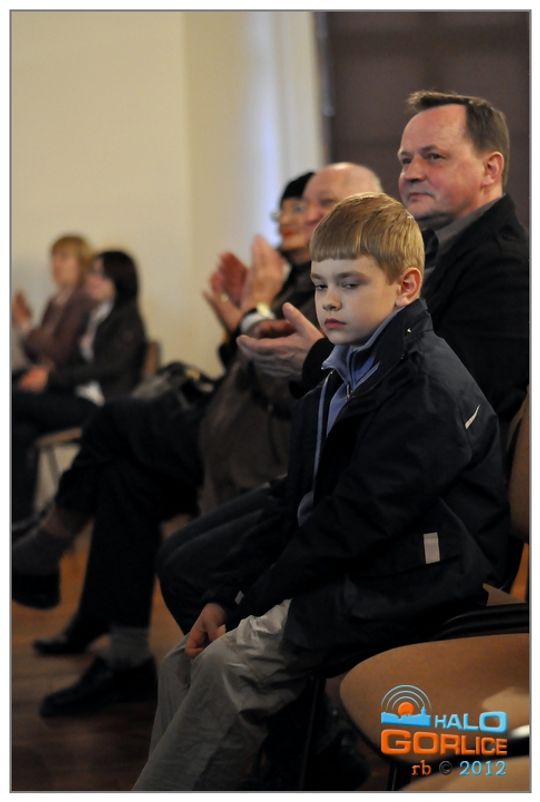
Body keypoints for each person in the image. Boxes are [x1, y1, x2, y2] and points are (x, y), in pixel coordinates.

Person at [132, 192, 509, 792]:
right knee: (185, 658)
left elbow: (350, 526)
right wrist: (227, 594)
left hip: (414, 578)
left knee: (228, 664)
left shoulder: (425, 390)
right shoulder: (342, 368)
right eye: (320, 284)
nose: (329, 301)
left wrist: (255, 598)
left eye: (350, 284)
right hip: (367, 561)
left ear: (406, 286)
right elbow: (296, 500)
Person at [11, 167, 382, 718]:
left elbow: (300, 385)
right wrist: (239, 319)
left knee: (115, 419)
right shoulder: (309, 278)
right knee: (124, 477)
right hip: (225, 438)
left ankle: (47, 543)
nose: (302, 217)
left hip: (260, 456)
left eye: (318, 204)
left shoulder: (348, 286)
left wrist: (251, 312)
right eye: (295, 207)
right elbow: (255, 367)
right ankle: (123, 654)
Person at [237, 90, 529, 439]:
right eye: (406, 160)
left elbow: (447, 403)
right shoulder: (429, 246)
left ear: (490, 169)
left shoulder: (509, 267)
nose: (411, 174)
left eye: (433, 157)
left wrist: (318, 359)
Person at [12, 250, 146, 526]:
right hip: (77, 396)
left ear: (120, 281)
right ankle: (20, 520)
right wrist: (47, 373)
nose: (92, 280)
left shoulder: (128, 319)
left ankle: (21, 518)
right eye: (92, 272)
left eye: (102, 275)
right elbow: (74, 361)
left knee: (14, 398)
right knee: (19, 426)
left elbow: (105, 368)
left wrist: (51, 379)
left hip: (98, 407)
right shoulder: (97, 315)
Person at [12, 234, 94, 372]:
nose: (55, 264)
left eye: (63, 258)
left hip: (67, 377)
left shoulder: (83, 300)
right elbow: (36, 354)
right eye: (53, 258)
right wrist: (21, 324)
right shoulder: (54, 301)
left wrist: (26, 325)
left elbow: (61, 354)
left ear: (82, 263)